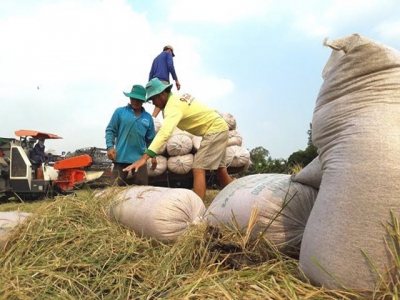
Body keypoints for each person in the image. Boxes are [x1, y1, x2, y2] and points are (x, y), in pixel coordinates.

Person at [123, 78, 234, 200]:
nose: (154, 103)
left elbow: (164, 133)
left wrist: (145, 157)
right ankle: (236, 192)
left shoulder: (173, 106)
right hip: (219, 127)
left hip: (215, 130)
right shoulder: (176, 99)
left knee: (198, 168)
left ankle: (197, 212)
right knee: (220, 168)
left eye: (153, 98)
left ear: (162, 93)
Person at [105, 84, 156, 186]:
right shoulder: (120, 112)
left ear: (143, 101)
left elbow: (150, 140)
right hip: (120, 158)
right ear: (130, 97)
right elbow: (110, 130)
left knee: (142, 190)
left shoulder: (148, 118)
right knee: (114, 189)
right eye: (133, 98)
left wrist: (153, 156)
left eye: (139, 100)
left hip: (139, 160)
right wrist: (110, 147)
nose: (136, 102)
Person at [148, 45, 181, 118]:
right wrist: (176, 80)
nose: (171, 56)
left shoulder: (155, 59)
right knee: (164, 102)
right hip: (162, 82)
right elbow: (170, 66)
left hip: (154, 84)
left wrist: (150, 87)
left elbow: (151, 73)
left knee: (163, 105)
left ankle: (158, 120)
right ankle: (153, 120)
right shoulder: (168, 54)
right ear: (169, 50)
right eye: (172, 55)